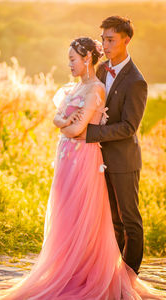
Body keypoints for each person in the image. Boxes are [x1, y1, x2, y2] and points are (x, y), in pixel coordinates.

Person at [1, 36, 165, 299]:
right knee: (75, 216)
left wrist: (68, 125)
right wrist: (65, 122)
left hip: (94, 157)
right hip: (69, 157)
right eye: (103, 40)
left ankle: (125, 277)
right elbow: (57, 116)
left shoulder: (116, 83)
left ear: (87, 58)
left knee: (123, 219)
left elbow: (83, 128)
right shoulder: (86, 80)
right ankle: (75, 269)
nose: (69, 64)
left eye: (72, 59)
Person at [74, 16, 147, 276]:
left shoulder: (136, 81)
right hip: (98, 160)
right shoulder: (102, 70)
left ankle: (129, 277)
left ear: (126, 40)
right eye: (103, 39)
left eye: (110, 40)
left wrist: (92, 133)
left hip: (124, 161)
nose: (105, 45)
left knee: (130, 221)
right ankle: (111, 277)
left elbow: (129, 127)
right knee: (112, 221)